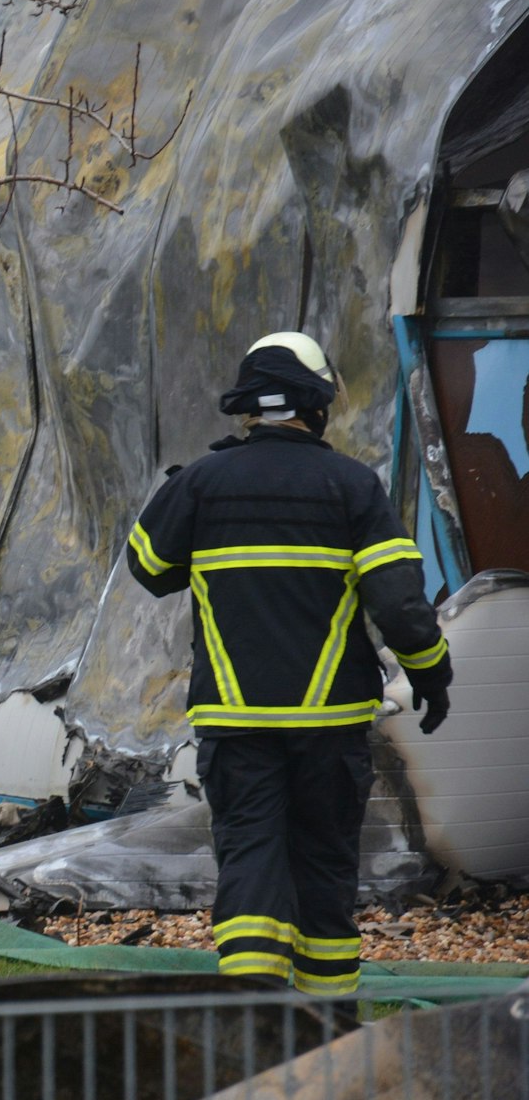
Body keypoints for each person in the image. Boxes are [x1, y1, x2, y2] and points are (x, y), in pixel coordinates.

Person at [125, 331, 451, 996]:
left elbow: (149, 567)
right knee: (322, 868)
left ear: (246, 408)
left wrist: (181, 484)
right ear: (317, 406)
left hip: (235, 722)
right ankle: (325, 1032)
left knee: (249, 857)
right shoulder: (351, 487)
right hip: (328, 725)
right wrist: (431, 672)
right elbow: (398, 607)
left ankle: (250, 1022)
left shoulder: (202, 483)